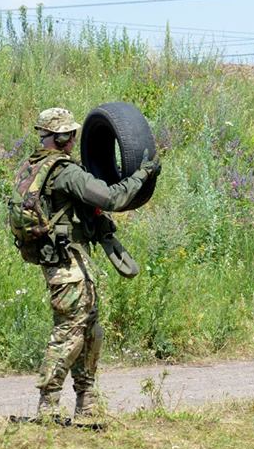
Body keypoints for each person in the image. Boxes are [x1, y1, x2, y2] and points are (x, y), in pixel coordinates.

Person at [19, 107, 161, 419]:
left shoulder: (38, 167)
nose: (73, 140)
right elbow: (111, 198)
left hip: (70, 261)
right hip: (68, 266)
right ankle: (48, 404)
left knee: (90, 330)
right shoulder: (65, 172)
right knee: (70, 332)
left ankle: (87, 399)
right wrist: (143, 174)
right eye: (70, 135)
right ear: (63, 138)